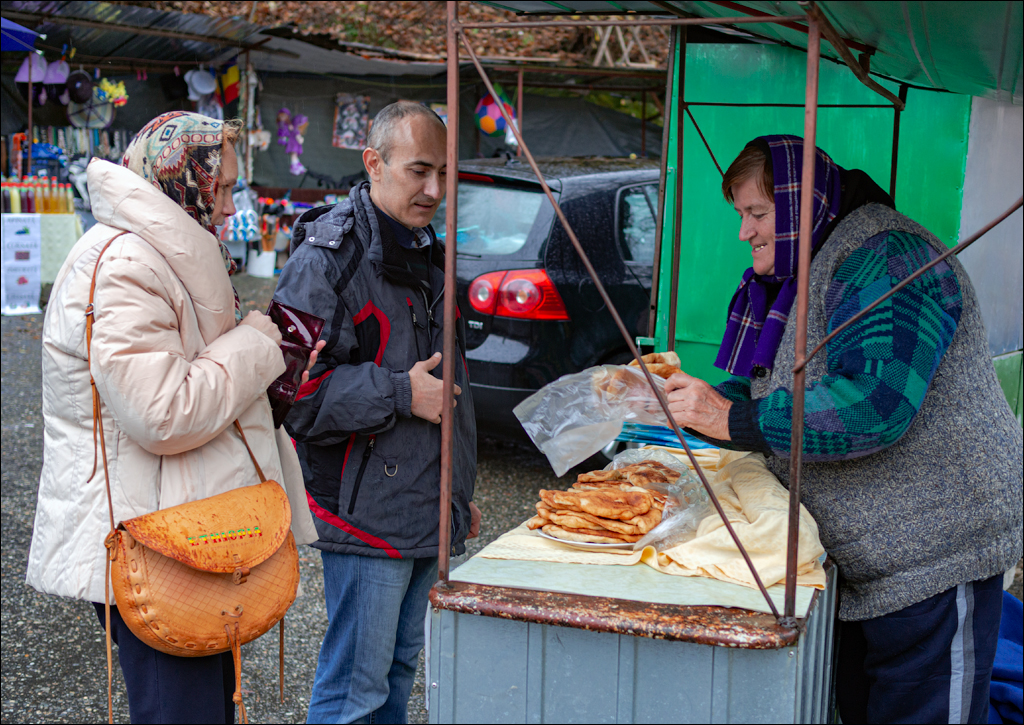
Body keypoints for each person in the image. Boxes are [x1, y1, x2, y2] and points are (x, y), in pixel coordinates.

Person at [664, 135, 1022, 724]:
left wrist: (730, 419)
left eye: (757, 214)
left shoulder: (887, 257)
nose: (743, 233)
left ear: (804, 203)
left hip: (935, 548)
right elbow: (775, 394)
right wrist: (687, 404)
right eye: (740, 216)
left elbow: (874, 403)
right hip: (872, 559)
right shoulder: (807, 270)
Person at [25, 112, 320, 724]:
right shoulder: (127, 264)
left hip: (182, 531)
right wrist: (256, 344)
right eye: (227, 187)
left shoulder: (163, 251)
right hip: (153, 541)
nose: (234, 204)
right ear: (185, 178)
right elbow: (161, 412)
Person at [273, 101, 480, 724]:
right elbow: (289, 396)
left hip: (426, 512)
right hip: (365, 522)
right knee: (352, 695)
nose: (435, 190)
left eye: (443, 173)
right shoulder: (325, 259)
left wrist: (458, 497)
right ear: (374, 163)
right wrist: (398, 392)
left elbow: (454, 394)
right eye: (420, 171)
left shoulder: (428, 253)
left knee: (396, 677)